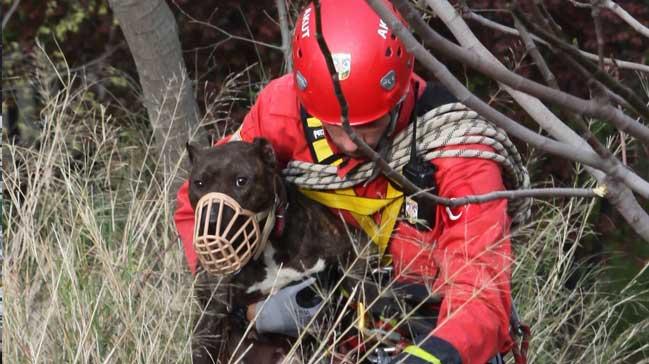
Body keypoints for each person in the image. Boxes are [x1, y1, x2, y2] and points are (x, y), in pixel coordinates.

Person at [174, 1, 515, 363]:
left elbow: (481, 290)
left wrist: (430, 357)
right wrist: (228, 282)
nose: (352, 143)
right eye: (335, 126)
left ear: (397, 95)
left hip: (423, 324)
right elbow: (197, 198)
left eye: (368, 125)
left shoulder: (459, 149)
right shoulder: (282, 112)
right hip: (318, 320)